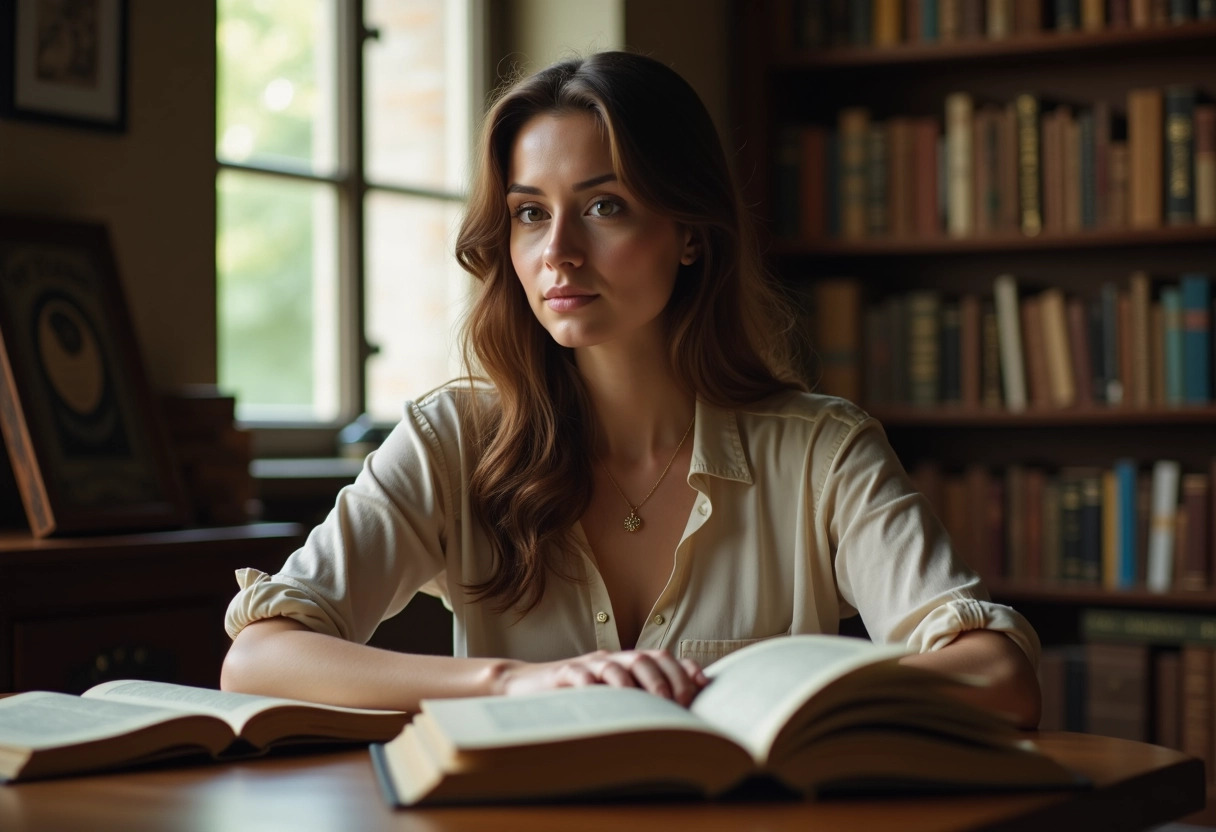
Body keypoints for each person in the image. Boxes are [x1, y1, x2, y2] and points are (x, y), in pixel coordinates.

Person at [221, 51, 1041, 728]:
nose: (559, 253)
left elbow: (998, 677)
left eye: (604, 206)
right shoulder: (454, 440)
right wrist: (512, 684)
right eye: (530, 213)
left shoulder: (822, 451)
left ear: (689, 234)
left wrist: (771, 700)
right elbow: (258, 659)